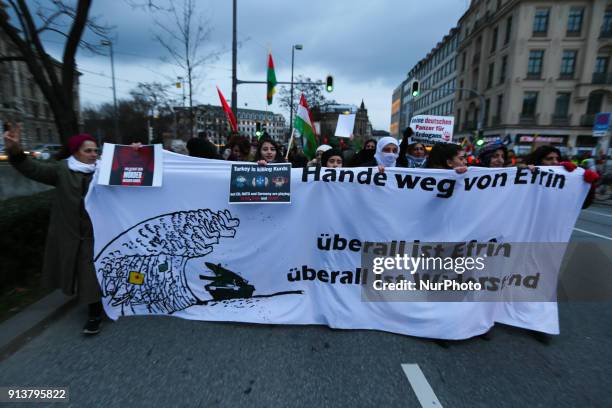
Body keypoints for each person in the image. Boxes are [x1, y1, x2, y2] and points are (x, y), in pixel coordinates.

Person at [3, 124, 105, 335]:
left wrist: (136, 152)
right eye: (88, 150)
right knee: (86, 271)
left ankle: (99, 308)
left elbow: (136, 173)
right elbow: (32, 168)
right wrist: (14, 149)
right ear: (75, 152)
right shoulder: (61, 170)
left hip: (101, 231)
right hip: (73, 233)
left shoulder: (105, 170)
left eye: (95, 150)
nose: (93, 154)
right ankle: (95, 310)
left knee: (94, 270)